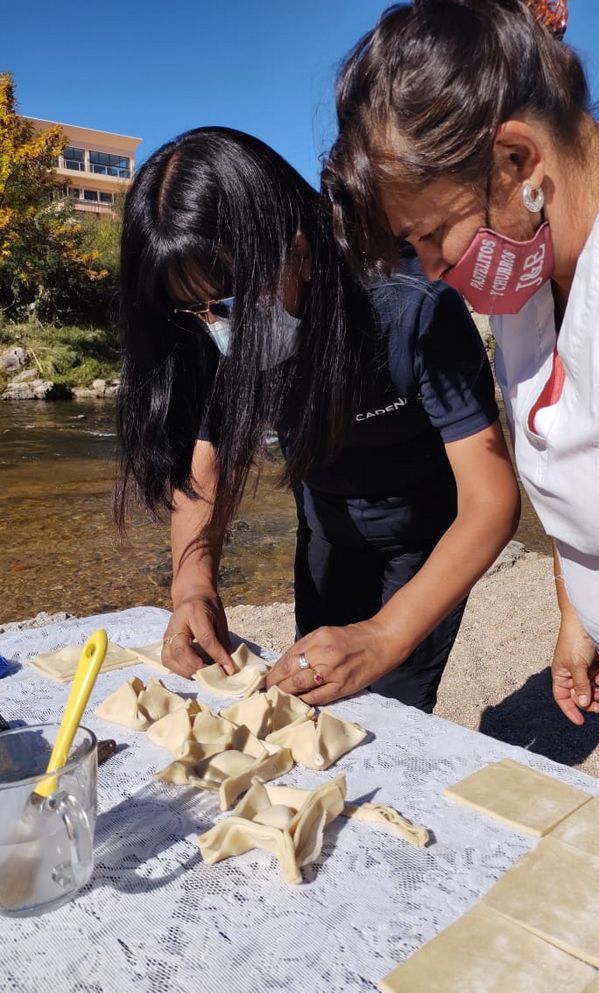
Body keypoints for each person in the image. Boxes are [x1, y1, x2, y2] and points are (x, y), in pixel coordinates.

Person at [322, 0, 599, 831]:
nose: (432, 271)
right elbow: (582, 448)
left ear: (517, 157)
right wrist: (577, 609)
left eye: (431, 234)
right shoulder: (530, 262)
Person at [116, 126, 519, 715]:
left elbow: (491, 499)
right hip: (327, 530)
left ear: (299, 254)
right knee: (314, 699)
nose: (214, 326)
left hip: (426, 539)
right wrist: (192, 583)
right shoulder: (208, 331)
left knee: (394, 709)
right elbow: (207, 462)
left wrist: (384, 636)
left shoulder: (410, 307)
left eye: (226, 303)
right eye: (193, 311)